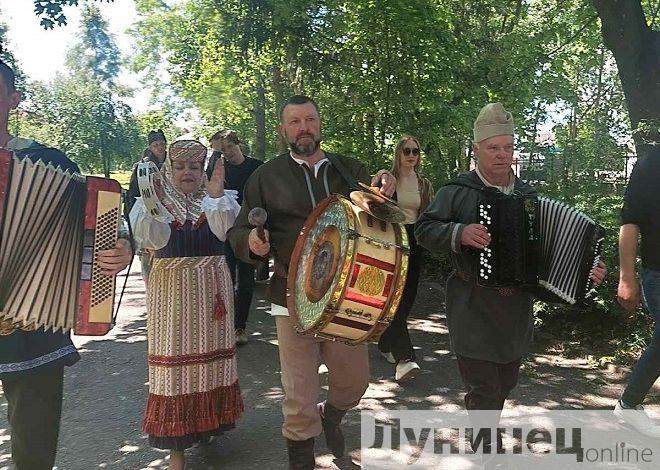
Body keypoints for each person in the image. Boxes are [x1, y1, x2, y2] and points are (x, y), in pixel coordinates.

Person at [228, 95, 396, 469]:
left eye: (309, 120)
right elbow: (239, 232)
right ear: (283, 130)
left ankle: (332, 415)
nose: (303, 128)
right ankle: (301, 457)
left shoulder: (347, 170)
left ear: (319, 124)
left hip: (348, 298)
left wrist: (388, 180)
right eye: (295, 122)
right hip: (291, 298)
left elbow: (384, 209)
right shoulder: (265, 177)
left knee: (354, 384)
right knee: (298, 393)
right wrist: (253, 244)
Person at [416, 103, 606, 424]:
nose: (502, 154)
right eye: (493, 148)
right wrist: (458, 232)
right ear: (477, 149)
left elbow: (549, 257)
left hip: (514, 316)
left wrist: (586, 271)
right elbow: (423, 230)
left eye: (508, 147)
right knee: (485, 393)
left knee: (504, 385)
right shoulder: (457, 191)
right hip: (472, 310)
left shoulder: (528, 198)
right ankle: (489, 452)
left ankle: (485, 431)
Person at [0, 59, 133, 470]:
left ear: (13, 100)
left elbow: (102, 227)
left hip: (33, 328)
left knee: (34, 448)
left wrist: (121, 248)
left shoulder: (51, 164)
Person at [130, 139, 243, 470]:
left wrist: (217, 192)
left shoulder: (218, 200)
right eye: (179, 167)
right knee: (175, 369)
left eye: (194, 167)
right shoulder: (152, 202)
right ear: (169, 169)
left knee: (210, 364)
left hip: (212, 292)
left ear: (202, 169)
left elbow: (225, 233)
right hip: (173, 294)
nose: (187, 173)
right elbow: (153, 239)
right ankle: (176, 450)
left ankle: (206, 424)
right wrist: (156, 204)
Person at [377, 135, 434, 382]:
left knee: (408, 298)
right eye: (407, 151)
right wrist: (380, 176)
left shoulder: (424, 184)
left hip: (416, 240)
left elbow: (430, 214)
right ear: (398, 154)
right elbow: (373, 200)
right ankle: (405, 358)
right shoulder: (388, 179)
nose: (412, 155)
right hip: (393, 240)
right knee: (395, 298)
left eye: (416, 151)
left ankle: (385, 342)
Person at [613, 145, 660, 437]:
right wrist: (626, 278)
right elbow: (630, 222)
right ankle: (628, 405)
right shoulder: (651, 163)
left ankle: (628, 404)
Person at [206, 129, 263, 346]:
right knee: (226, 278)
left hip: (249, 230)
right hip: (228, 232)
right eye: (222, 150)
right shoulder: (220, 170)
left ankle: (240, 326)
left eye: (229, 147)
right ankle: (226, 324)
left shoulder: (257, 167)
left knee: (246, 279)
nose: (227, 152)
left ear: (237, 144)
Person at [125, 129, 168, 285]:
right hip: (147, 216)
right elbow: (133, 196)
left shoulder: (173, 164)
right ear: (150, 147)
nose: (160, 148)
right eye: (156, 145)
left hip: (169, 216)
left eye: (162, 144)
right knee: (149, 265)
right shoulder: (142, 167)